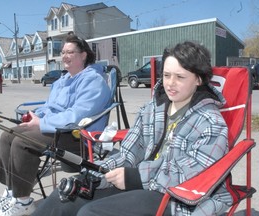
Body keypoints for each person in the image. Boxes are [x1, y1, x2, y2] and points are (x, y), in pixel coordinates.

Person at [32, 41, 233, 216]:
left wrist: (136, 177)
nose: (170, 84)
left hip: (178, 197)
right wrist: (100, 172)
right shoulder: (152, 110)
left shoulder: (211, 123)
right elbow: (128, 152)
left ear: (198, 79)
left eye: (180, 77)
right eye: (166, 75)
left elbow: (192, 175)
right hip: (139, 184)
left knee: (91, 213)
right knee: (65, 196)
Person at [0, 32, 111, 216]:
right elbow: (51, 106)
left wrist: (43, 122)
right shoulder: (64, 80)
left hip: (77, 137)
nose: (64, 56)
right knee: (9, 134)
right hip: (57, 129)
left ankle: (23, 202)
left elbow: (76, 116)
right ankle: (12, 193)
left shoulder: (93, 81)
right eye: (62, 52)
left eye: (69, 52)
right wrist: (36, 116)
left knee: (22, 141)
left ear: (83, 55)